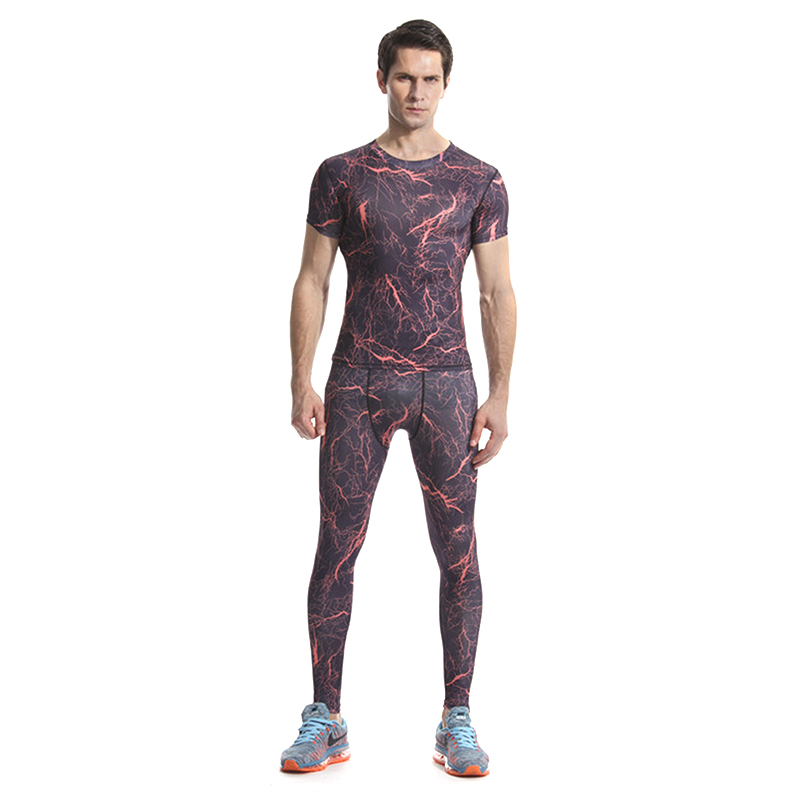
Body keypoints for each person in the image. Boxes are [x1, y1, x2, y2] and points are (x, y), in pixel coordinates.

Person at [281, 19, 516, 778]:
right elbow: (313, 278)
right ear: (381, 79)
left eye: (431, 78)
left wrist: (501, 392)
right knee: (336, 547)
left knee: (459, 552)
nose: (418, 92)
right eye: (405, 77)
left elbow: (496, 290)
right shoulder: (341, 174)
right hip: (358, 380)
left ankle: (458, 717)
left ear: (447, 84)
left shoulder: (479, 181)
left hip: (447, 383)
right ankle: (325, 714)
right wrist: (301, 378)